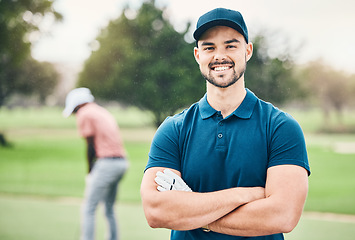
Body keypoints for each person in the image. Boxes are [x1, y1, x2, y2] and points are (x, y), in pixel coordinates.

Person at [140, 8, 310, 240]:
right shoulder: (174, 129)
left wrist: (192, 213)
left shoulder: (281, 127)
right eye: (209, 47)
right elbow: (156, 211)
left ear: (248, 51)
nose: (219, 56)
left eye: (230, 45)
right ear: (197, 55)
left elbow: (282, 216)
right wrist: (244, 195)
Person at [63, 87, 128, 240]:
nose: (74, 114)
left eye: (73, 110)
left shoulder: (84, 113)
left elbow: (90, 145)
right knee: (109, 208)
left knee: (89, 207)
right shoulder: (101, 111)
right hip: (121, 163)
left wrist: (90, 171)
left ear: (78, 105)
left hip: (106, 164)